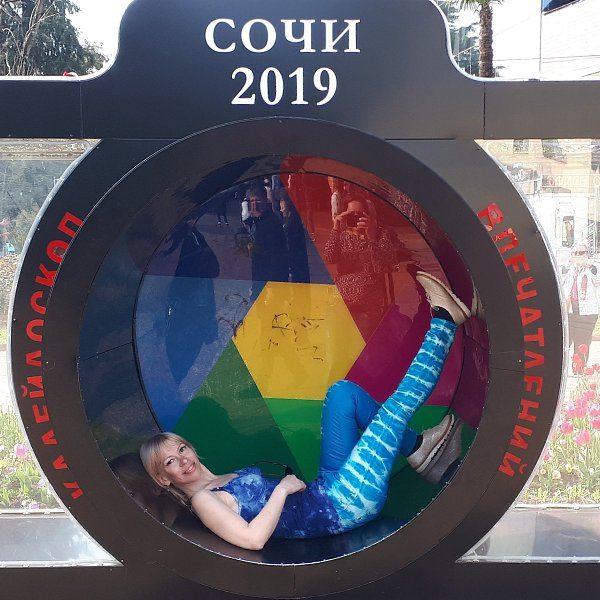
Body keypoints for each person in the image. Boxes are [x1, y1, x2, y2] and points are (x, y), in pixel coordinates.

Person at [140, 272, 469, 550]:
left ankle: (418, 448)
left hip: (324, 488)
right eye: (169, 462)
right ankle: (445, 321)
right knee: (392, 413)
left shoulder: (222, 479)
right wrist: (282, 489)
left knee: (342, 395)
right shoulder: (202, 500)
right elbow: (252, 539)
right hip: (343, 505)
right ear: (163, 479)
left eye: (180, 449)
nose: (182, 459)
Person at [562, 243, 599, 371]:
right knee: (566, 340)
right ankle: (562, 369)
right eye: (575, 253)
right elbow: (559, 278)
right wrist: (568, 263)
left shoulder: (593, 267)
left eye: (581, 253)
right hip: (569, 309)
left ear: (587, 254)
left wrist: (589, 265)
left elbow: (597, 280)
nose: (578, 255)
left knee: (582, 341)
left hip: (587, 312)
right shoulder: (569, 268)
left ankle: (579, 370)